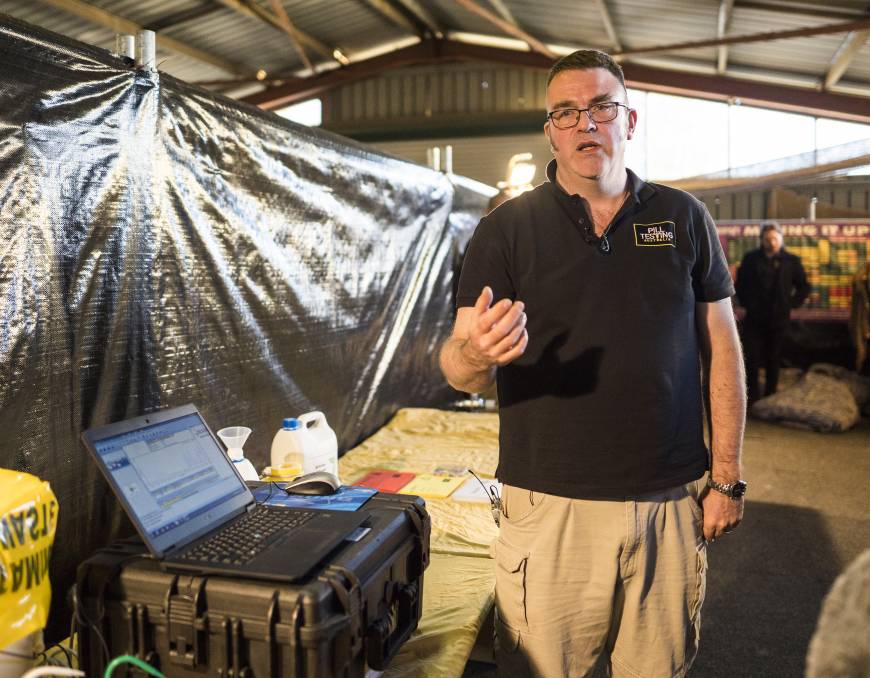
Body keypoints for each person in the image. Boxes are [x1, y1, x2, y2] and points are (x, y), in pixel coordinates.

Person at [439, 49, 746, 678]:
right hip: (550, 508)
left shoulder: (683, 217)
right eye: (566, 112)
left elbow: (723, 349)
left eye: (601, 107)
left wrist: (727, 477)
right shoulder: (506, 230)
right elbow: (456, 365)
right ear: (550, 130)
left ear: (628, 121)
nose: (585, 123)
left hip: (668, 504)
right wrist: (477, 353)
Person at [735, 222, 810, 403]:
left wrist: (790, 304)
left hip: (778, 319)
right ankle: (752, 397)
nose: (772, 242)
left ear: (781, 239)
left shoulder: (791, 261)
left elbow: (804, 287)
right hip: (754, 318)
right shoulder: (751, 259)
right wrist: (747, 303)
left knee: (773, 358)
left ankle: (770, 396)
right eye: (768, 239)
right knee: (751, 359)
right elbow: (740, 285)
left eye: (775, 239)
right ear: (761, 240)